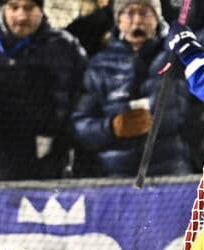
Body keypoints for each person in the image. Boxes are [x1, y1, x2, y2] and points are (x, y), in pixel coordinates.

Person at [0, 0, 88, 180]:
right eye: (14, 7)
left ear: (41, 9)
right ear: (3, 8)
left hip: (51, 163)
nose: (21, 16)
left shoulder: (66, 48)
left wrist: (61, 139)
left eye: (29, 8)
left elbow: (81, 102)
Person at [71, 0, 190, 177]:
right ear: (118, 21)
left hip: (169, 173)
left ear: (157, 19)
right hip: (114, 177)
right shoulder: (99, 65)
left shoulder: (176, 56)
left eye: (144, 13)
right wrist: (112, 127)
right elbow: (80, 125)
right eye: (129, 13)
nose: (137, 21)